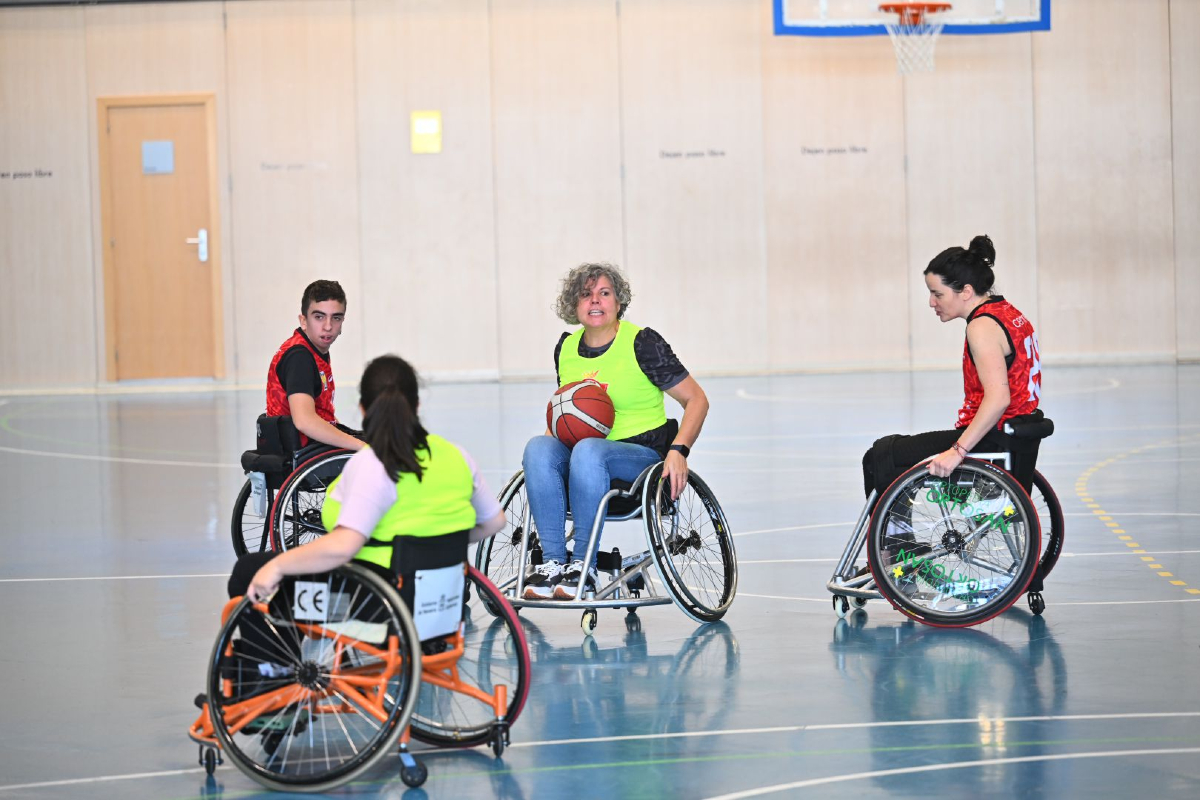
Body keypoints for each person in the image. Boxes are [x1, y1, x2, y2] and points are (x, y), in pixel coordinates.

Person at [232, 353, 506, 604]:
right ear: (417, 405)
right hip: (443, 601)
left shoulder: (373, 463)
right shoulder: (456, 455)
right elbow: (494, 521)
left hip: (377, 601)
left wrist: (278, 566)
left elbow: (342, 548)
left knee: (249, 571)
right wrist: (440, 543)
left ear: (363, 408)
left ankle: (273, 659)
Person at [521, 262, 710, 600]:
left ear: (618, 301)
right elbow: (569, 415)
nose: (595, 301)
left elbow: (696, 399)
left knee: (589, 450)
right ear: (573, 305)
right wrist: (546, 460)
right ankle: (552, 564)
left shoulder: (642, 343)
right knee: (538, 447)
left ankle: (584, 565)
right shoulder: (566, 348)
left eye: (604, 293)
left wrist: (679, 451)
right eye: (586, 294)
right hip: (584, 456)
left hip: (640, 456)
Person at [861, 234, 1043, 500]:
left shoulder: (981, 327)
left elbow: (999, 398)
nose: (932, 302)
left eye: (938, 294)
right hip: (1017, 433)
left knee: (880, 456)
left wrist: (958, 450)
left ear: (966, 291)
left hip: (995, 437)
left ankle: (898, 539)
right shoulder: (1008, 312)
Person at [265, 279, 363, 451]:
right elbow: (305, 421)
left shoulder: (313, 350)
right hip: (303, 453)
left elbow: (321, 414)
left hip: (313, 447)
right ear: (303, 321)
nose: (328, 326)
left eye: (336, 318)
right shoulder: (299, 357)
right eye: (319, 317)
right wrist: (361, 446)